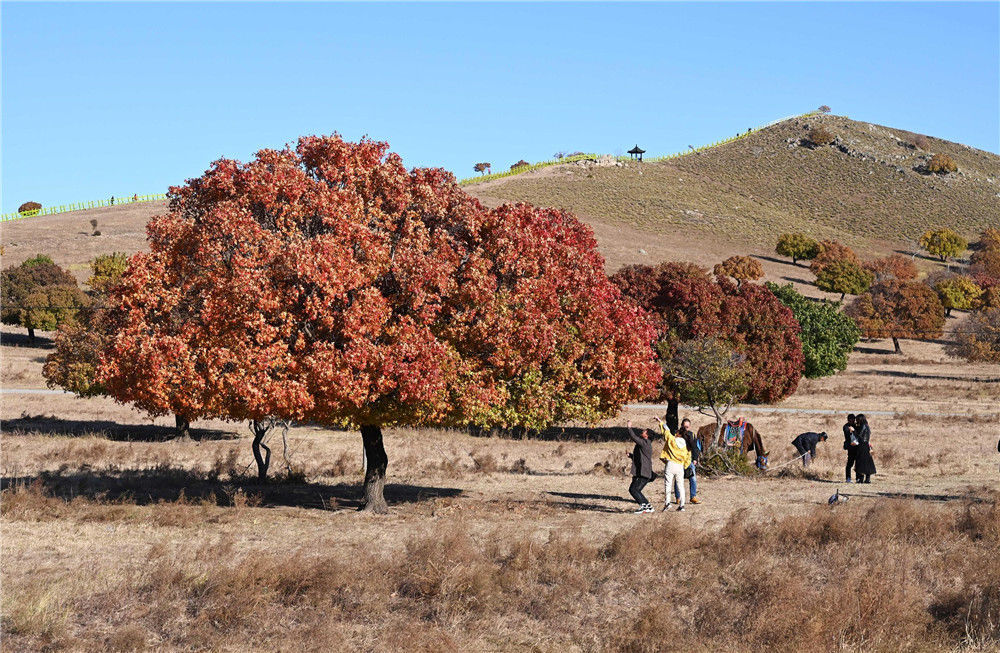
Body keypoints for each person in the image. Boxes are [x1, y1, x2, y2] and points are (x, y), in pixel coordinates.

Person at [655, 417, 691, 512]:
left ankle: (668, 503)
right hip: (680, 466)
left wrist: (660, 422)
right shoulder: (686, 445)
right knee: (681, 486)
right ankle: (682, 505)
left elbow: (666, 431)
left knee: (668, 484)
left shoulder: (672, 440)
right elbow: (688, 457)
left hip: (671, 464)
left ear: (678, 434)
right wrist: (685, 465)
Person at [626, 420, 654, 514]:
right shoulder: (644, 444)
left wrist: (629, 427)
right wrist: (631, 456)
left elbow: (633, 437)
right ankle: (648, 506)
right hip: (641, 471)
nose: (642, 431)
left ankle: (643, 506)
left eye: (644, 431)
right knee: (635, 490)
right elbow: (640, 458)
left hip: (643, 472)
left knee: (634, 490)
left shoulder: (645, 442)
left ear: (647, 435)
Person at [675, 418, 701, 504]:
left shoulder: (692, 435)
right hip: (679, 460)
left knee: (693, 479)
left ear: (689, 427)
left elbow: (695, 448)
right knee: (678, 479)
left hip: (689, 460)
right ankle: (678, 497)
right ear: (681, 426)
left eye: (687, 427)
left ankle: (693, 497)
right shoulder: (677, 434)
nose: (686, 428)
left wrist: (695, 459)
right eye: (684, 426)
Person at [853, 414, 876, 483]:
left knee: (860, 462)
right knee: (867, 461)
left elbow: (859, 436)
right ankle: (867, 479)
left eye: (857, 419)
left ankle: (861, 479)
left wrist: (853, 431)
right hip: (866, 445)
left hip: (862, 445)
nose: (856, 421)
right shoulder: (867, 426)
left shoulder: (863, 426)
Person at [843, 414, 859, 482]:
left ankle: (858, 478)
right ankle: (848, 478)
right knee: (850, 463)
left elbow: (858, 434)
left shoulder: (856, 426)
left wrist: (854, 430)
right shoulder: (846, 426)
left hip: (857, 447)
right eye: (850, 420)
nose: (852, 421)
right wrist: (851, 431)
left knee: (858, 463)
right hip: (851, 447)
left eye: (853, 419)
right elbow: (847, 435)